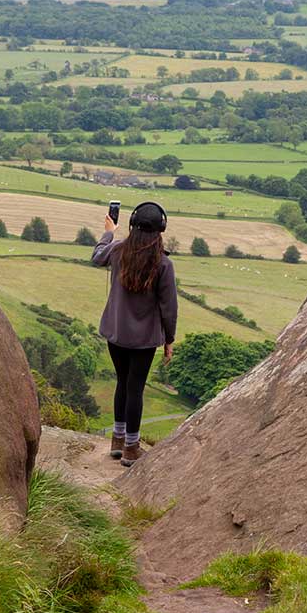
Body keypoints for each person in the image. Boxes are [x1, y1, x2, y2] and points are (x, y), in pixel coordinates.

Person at [91, 200, 177, 466]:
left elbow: (96, 256)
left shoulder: (117, 250)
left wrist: (109, 231)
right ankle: (130, 449)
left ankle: (117, 442)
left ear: (133, 225)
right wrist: (169, 340)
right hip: (143, 340)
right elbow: (169, 307)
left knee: (121, 383)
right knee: (135, 389)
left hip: (116, 333)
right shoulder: (163, 264)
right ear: (161, 229)